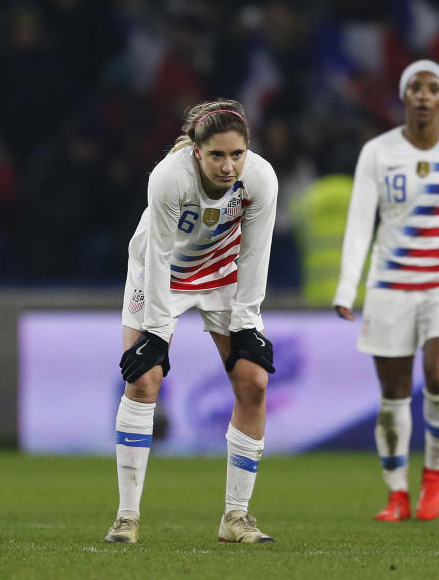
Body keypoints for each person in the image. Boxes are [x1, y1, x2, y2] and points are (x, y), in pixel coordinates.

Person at [103, 99, 279, 544]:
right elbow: (159, 255)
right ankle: (126, 517)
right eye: (217, 154)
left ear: (247, 151)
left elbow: (255, 254)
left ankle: (235, 518)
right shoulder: (169, 177)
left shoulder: (260, 178)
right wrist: (157, 336)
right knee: (143, 380)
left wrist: (246, 323)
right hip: (158, 272)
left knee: (254, 381)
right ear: (197, 151)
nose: (228, 166)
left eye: (236, 154)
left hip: (221, 273)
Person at [333, 60, 439, 522]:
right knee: (394, 393)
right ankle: (397, 491)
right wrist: (348, 287)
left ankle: (435, 475)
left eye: (433, 88)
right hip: (390, 285)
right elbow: (361, 222)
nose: (423, 95)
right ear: (404, 96)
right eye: (416, 88)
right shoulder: (378, 152)